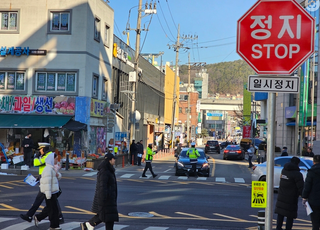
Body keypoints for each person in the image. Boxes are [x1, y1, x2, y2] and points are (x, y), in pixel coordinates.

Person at [20, 143, 64, 224]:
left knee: (41, 200)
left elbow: (36, 163)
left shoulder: (49, 156)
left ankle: (29, 215)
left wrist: (36, 156)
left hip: (48, 180)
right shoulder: (47, 155)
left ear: (44, 149)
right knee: (52, 201)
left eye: (41, 149)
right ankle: (59, 217)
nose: (39, 151)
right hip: (45, 179)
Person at [81, 153, 119, 230]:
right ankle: (88, 224)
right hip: (107, 199)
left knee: (108, 218)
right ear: (109, 160)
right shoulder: (105, 171)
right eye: (113, 159)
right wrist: (103, 199)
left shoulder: (109, 170)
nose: (114, 160)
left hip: (109, 199)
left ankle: (88, 224)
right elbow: (102, 187)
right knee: (107, 217)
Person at [275, 157, 304, 230]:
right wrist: (304, 196)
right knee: (289, 216)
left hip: (281, 196)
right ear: (297, 164)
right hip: (291, 198)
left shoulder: (284, 170)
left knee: (280, 214)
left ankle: (278, 228)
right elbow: (301, 187)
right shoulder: (297, 174)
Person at [34, 153, 62, 227]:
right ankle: (54, 226)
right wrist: (48, 195)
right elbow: (47, 183)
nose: (57, 160)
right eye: (56, 159)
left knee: (53, 209)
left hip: (53, 191)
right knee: (52, 210)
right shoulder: (48, 169)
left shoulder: (52, 168)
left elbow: (57, 177)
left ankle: (53, 225)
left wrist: (57, 174)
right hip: (50, 192)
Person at [302, 155, 320, 230]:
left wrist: (304, 197)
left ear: (313, 162)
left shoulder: (311, 172)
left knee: (315, 222)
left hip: (314, 200)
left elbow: (307, 186)